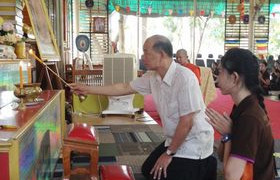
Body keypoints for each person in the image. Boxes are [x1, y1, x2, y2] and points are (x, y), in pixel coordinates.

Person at [71, 35, 216, 180]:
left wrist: (168, 154)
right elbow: (125, 87)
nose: (142, 56)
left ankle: (206, 165)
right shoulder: (153, 76)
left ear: (161, 54)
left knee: (161, 175)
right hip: (174, 138)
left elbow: (187, 123)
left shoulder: (185, 78)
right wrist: (88, 89)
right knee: (149, 170)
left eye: (146, 52)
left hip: (194, 143)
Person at [205, 48, 276, 180]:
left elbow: (232, 175)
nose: (217, 77)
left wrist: (228, 135)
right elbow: (222, 155)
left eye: (220, 72)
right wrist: (227, 135)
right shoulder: (242, 106)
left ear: (234, 77)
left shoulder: (249, 117)